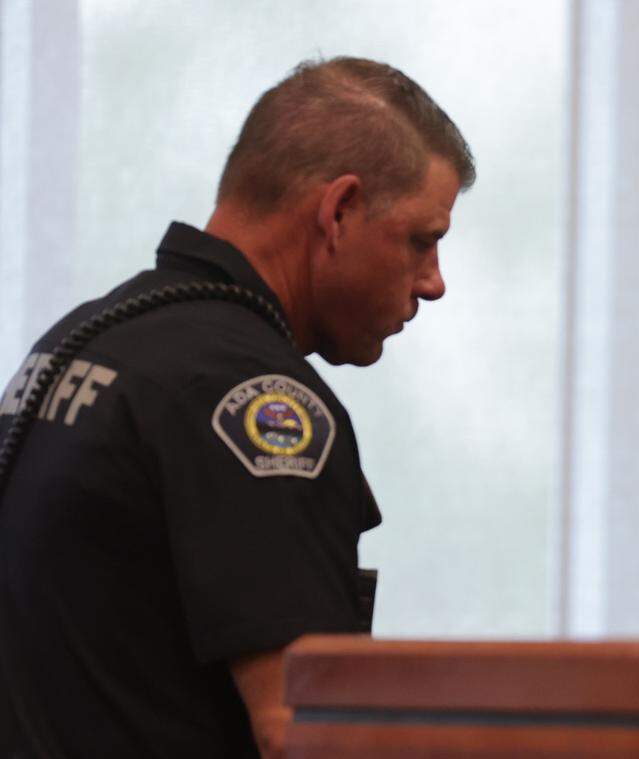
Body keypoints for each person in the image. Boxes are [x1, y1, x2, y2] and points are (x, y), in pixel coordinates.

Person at [0, 56, 474, 757]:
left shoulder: (84, 338)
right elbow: (302, 729)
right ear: (339, 211)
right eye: (421, 239)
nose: (434, 283)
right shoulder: (255, 399)